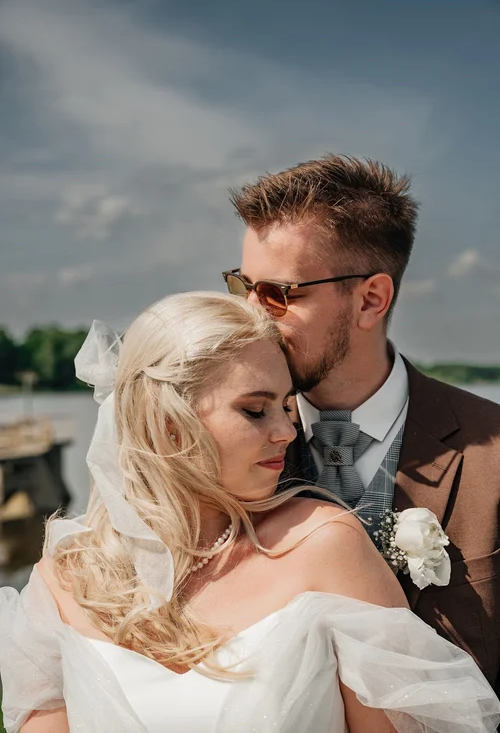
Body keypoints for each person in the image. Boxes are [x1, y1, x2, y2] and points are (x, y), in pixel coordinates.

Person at [0, 292, 498, 733]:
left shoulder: (324, 545)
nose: (287, 431)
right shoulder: (65, 580)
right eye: (256, 410)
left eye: (286, 406)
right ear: (168, 422)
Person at [225, 153, 500, 697]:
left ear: (371, 299)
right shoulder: (211, 445)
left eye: (278, 294)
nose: (251, 315)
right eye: (242, 285)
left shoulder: (493, 454)